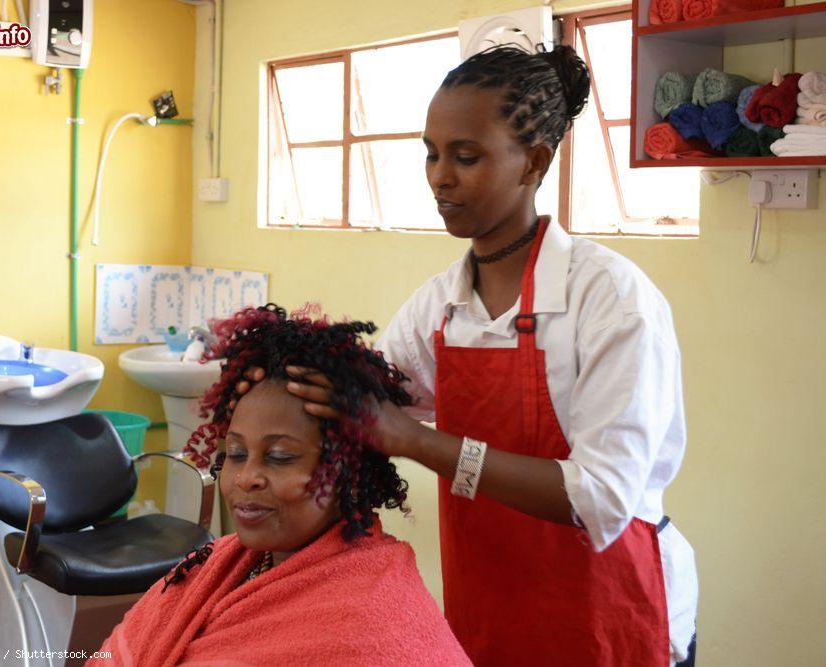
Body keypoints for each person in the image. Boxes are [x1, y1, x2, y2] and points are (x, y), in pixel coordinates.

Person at [256, 45, 698, 666]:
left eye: (466, 157)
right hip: (490, 602)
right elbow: (357, 396)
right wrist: (278, 377)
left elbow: (598, 497)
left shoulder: (611, 301)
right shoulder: (442, 305)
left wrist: (413, 440)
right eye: (432, 155)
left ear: (533, 164)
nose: (440, 176)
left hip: (608, 606)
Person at [90, 305, 471, 667]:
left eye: (280, 457)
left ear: (347, 474)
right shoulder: (222, 563)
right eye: (236, 453)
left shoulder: (371, 625)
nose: (246, 477)